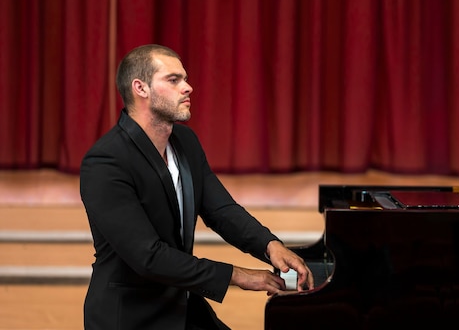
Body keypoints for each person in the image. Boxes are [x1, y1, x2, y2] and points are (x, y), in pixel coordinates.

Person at [80, 44, 314, 330]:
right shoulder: (106, 161)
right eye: (173, 80)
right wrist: (237, 275)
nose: (188, 87)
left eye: (185, 79)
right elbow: (148, 257)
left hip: (183, 305)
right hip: (132, 316)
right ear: (140, 88)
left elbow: (221, 210)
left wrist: (269, 245)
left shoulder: (185, 142)